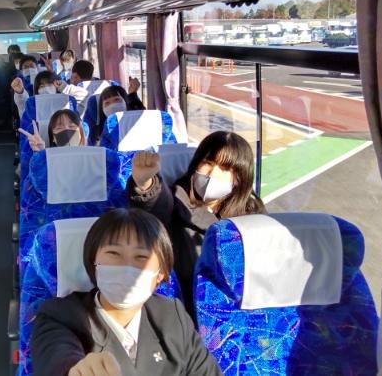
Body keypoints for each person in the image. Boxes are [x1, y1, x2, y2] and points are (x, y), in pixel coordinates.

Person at [31, 208, 221, 376]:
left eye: (141, 257)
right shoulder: (61, 315)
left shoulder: (172, 315)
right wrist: (75, 370)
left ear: (161, 274)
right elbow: (57, 358)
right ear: (93, 262)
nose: (127, 267)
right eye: (113, 253)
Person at [127, 131, 266, 311]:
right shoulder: (177, 201)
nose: (213, 173)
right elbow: (157, 205)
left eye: (225, 168)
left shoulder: (252, 216)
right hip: (186, 306)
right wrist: (146, 184)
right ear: (196, 165)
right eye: (208, 163)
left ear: (240, 177)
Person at [18, 108, 87, 152]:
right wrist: (41, 153)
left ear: (81, 133)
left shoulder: (91, 158)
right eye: (59, 128)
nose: (66, 130)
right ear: (53, 138)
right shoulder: (48, 162)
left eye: (72, 126)